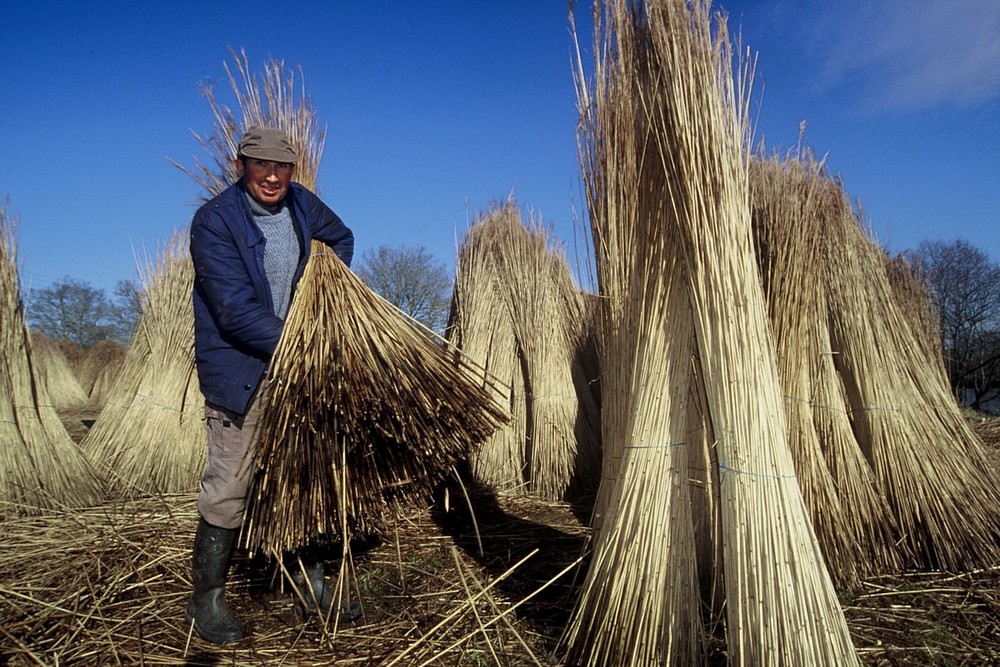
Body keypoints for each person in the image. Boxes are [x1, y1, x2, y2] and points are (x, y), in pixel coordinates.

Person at [187, 126, 358, 644]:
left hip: (297, 369)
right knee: (231, 486)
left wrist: (319, 296)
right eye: (260, 164)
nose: (271, 175)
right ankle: (207, 599)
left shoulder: (302, 205)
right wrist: (303, 344)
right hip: (244, 371)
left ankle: (310, 582)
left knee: (303, 476)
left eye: (281, 166)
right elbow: (235, 313)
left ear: (292, 170)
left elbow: (341, 239)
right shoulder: (215, 221)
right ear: (241, 165)